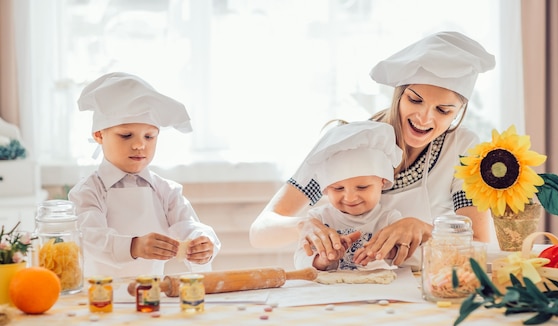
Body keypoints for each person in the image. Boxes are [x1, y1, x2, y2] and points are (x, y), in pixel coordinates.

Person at [249, 31, 494, 267]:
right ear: (399, 93)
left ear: (458, 112)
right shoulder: (347, 145)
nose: (424, 118)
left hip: (426, 289)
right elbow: (260, 231)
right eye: (415, 100)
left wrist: (425, 229)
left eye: (443, 110)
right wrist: (303, 226)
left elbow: (481, 246)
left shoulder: (464, 149)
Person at [68, 72, 221, 278]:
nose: (140, 144)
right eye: (126, 135)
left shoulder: (166, 190)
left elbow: (188, 225)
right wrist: (133, 246)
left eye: (149, 136)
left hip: (152, 297)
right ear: (99, 135)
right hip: (101, 298)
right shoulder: (88, 192)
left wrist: (202, 242)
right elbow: (89, 237)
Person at [292, 120, 420, 271]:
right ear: (325, 188)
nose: (350, 198)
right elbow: (300, 260)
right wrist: (322, 260)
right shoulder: (319, 219)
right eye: (338, 188)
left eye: (362, 187)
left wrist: (390, 252)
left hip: (379, 291)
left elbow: (417, 263)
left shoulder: (389, 219)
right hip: (333, 293)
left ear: (383, 182)